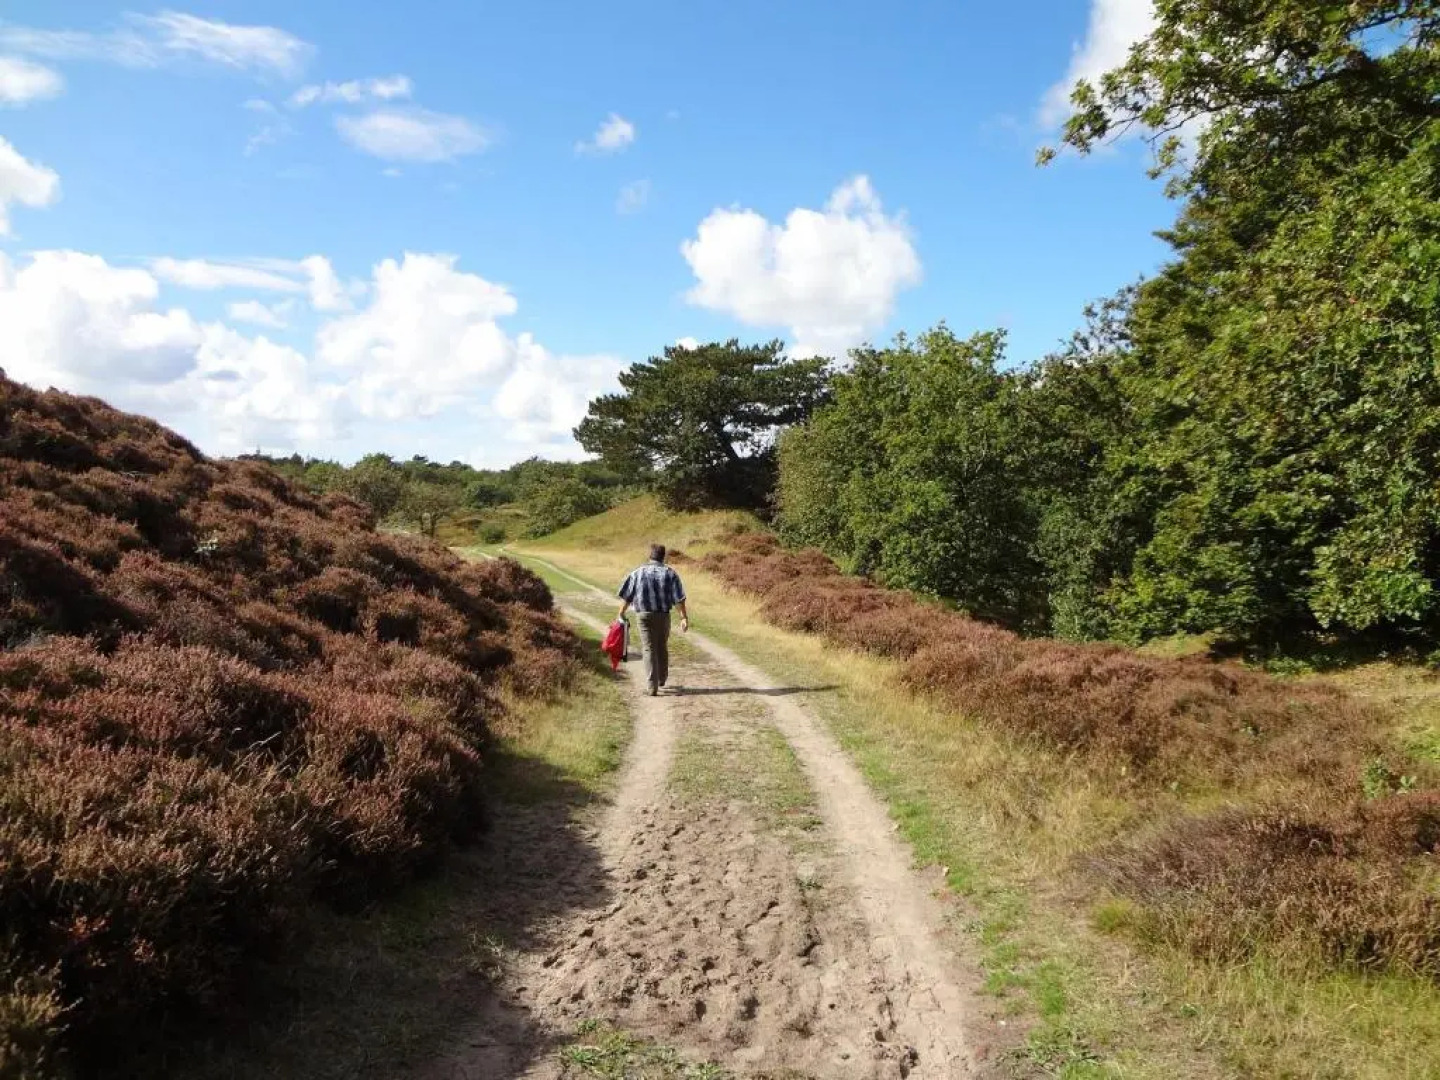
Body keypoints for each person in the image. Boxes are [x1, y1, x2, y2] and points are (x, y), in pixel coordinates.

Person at [616, 543, 689, 696]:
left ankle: (652, 686)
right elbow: (678, 599)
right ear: (663, 557)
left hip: (643, 616)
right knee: (662, 646)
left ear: (650, 556)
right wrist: (683, 617)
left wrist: (621, 613)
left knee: (648, 648)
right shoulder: (670, 573)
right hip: (663, 615)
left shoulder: (637, 572)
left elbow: (627, 596)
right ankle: (662, 678)